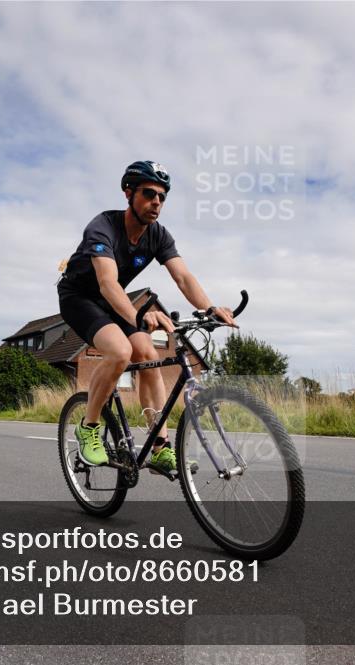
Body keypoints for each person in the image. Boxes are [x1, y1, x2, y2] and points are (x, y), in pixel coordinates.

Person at [58, 160, 237, 473]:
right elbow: (107, 283)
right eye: (149, 193)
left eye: (162, 197)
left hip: (114, 300)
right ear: (129, 193)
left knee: (148, 354)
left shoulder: (158, 235)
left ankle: (160, 447)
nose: (157, 202)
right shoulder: (102, 226)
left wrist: (209, 307)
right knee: (121, 351)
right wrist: (140, 316)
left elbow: (183, 277)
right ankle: (88, 427)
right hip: (81, 297)